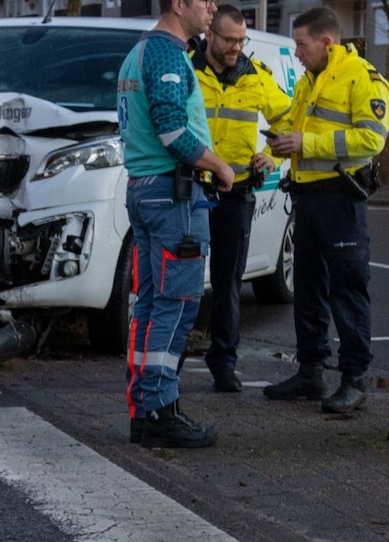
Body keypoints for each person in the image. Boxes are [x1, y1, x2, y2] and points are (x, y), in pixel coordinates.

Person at [118, 0, 235, 448]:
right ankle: (161, 410)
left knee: (149, 303)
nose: (211, 9)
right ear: (179, 4)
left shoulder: (139, 52)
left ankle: (143, 411)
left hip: (146, 189)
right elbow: (171, 130)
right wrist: (220, 166)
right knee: (177, 304)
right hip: (173, 195)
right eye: (204, 1)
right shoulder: (168, 53)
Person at [264, 7, 388, 414]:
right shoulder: (311, 80)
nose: (296, 52)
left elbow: (371, 140)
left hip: (339, 197)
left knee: (347, 289)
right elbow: (299, 130)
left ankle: (353, 380)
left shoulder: (362, 78)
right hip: (307, 195)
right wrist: (275, 148)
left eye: (301, 44)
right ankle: (310, 371)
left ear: (326, 42)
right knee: (309, 288)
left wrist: (305, 145)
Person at [192, 4, 292, 393]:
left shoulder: (256, 77)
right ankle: (173, 357)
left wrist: (274, 154)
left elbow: (289, 121)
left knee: (228, 281)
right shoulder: (188, 69)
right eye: (229, 40)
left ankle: (223, 363)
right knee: (183, 279)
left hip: (237, 193)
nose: (236, 48)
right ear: (210, 35)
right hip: (192, 188)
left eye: (241, 40)